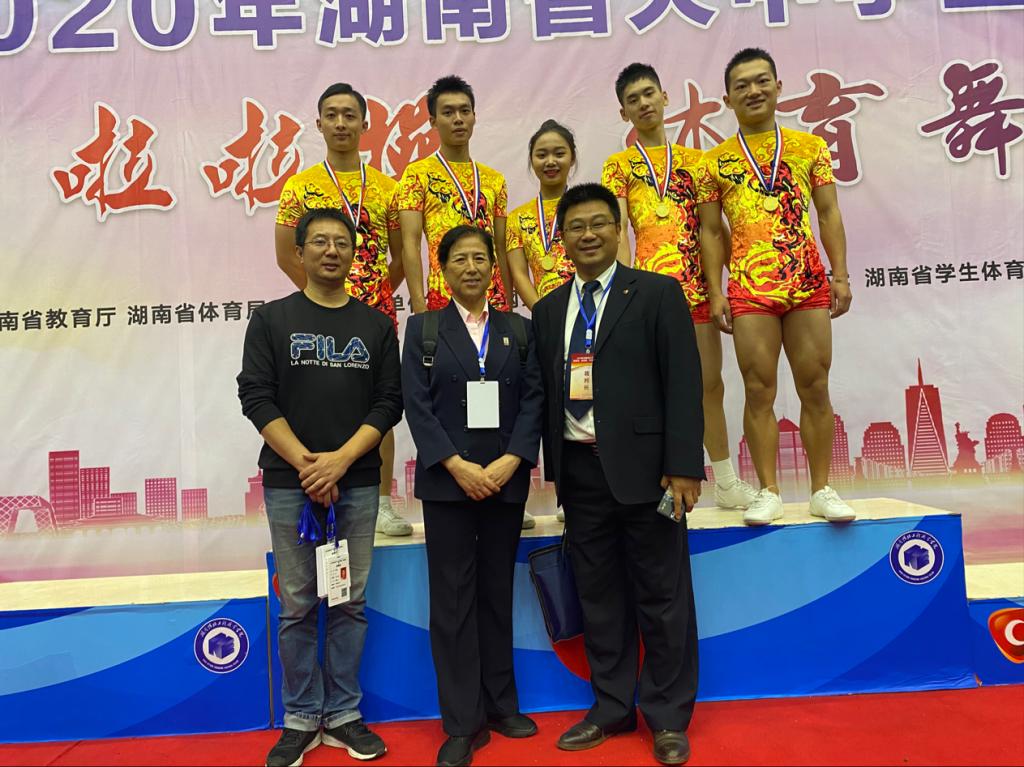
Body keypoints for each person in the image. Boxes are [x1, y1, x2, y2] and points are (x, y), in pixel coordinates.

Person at [532, 183, 704, 766]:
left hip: (650, 475)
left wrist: (683, 466)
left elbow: (683, 382)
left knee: (663, 596)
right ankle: (611, 707)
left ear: (619, 229)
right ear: (561, 237)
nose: (588, 235)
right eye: (575, 226)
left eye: (598, 223)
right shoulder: (548, 310)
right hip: (580, 473)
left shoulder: (657, 293)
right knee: (599, 597)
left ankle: (667, 717)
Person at [239, 208, 402, 767]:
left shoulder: (376, 325)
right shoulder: (271, 320)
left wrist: (340, 461)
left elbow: (389, 402)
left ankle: (345, 713)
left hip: (356, 482)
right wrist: (307, 464)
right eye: (320, 242)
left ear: (355, 254)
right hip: (290, 484)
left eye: (341, 243)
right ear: (300, 251)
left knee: (350, 601)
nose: (331, 251)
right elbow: (255, 395)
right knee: (298, 604)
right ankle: (302, 717)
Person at [402, 225, 543, 767]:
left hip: (505, 482)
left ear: (493, 267)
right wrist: (457, 465)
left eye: (480, 258)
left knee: (496, 592)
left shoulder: (518, 330)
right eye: (459, 259)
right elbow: (417, 406)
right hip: (448, 485)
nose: (471, 267)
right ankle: (462, 722)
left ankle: (501, 705)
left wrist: (512, 460)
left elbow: (534, 400)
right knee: (453, 601)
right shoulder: (423, 330)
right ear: (443, 270)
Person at [696, 47, 856, 526]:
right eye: (741, 85)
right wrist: (716, 291)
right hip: (749, 289)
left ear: (779, 86)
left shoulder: (810, 147)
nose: (753, 91)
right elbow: (710, 232)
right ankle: (768, 491)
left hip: (806, 282)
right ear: (727, 98)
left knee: (815, 384)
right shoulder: (714, 162)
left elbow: (828, 212)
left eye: (762, 80)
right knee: (757, 388)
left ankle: (821, 489)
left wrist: (840, 274)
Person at [602, 62, 756, 513]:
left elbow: (713, 230)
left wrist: (716, 288)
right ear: (623, 112)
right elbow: (618, 230)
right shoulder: (618, 166)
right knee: (648, 393)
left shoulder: (698, 163)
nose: (644, 104)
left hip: (695, 292)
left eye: (649, 93)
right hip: (644, 296)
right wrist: (624, 290)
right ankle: (654, 482)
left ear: (665, 97)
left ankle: (725, 480)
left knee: (709, 386)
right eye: (633, 100)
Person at [275, 82, 413, 538]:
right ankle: (315, 482)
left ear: (365, 124)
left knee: (381, 403)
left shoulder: (388, 189)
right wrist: (319, 298)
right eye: (331, 115)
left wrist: (370, 299)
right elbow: (285, 254)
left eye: (349, 115)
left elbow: (401, 255)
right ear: (318, 124)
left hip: (374, 314)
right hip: (314, 313)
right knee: (317, 396)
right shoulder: (299, 187)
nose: (340, 123)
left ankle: (382, 503)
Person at [506, 119, 579, 525]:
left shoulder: (586, 207)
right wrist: (546, 314)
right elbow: (518, 274)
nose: (550, 161)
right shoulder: (518, 218)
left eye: (559, 153)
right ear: (532, 161)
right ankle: (538, 493)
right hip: (544, 327)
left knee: (585, 404)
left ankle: (579, 493)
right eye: (542, 154)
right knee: (543, 408)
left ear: (572, 158)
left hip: (589, 322)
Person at [395, 75, 512, 315]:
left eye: (464, 111)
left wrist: (507, 304)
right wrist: (419, 307)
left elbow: (500, 247)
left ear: (474, 117)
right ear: (433, 121)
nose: (458, 119)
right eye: (448, 113)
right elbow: (410, 244)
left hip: (492, 300)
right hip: (443, 299)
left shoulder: (494, 179)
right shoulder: (417, 174)